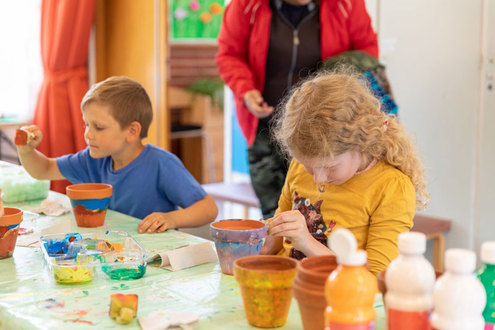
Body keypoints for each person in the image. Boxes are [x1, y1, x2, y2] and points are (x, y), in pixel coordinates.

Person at [216, 0, 378, 219]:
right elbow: (229, 54)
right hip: (265, 127)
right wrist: (246, 91)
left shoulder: (347, 5)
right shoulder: (246, 5)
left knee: (322, 212)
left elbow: (367, 51)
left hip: (324, 133)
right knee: (274, 213)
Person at [262, 73, 429, 275]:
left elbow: (375, 277)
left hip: (340, 297)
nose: (318, 178)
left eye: (330, 167)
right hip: (287, 285)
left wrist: (308, 243)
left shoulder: (391, 188)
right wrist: (264, 241)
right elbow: (279, 238)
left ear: (362, 143)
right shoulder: (300, 165)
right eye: (310, 166)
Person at [16, 76, 218, 233]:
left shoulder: (161, 164)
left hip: (154, 259)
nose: (88, 133)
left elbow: (208, 209)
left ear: (132, 131)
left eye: (99, 127)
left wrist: (172, 219)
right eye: (87, 124)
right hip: (112, 255)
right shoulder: (93, 159)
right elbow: (43, 169)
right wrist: (26, 150)